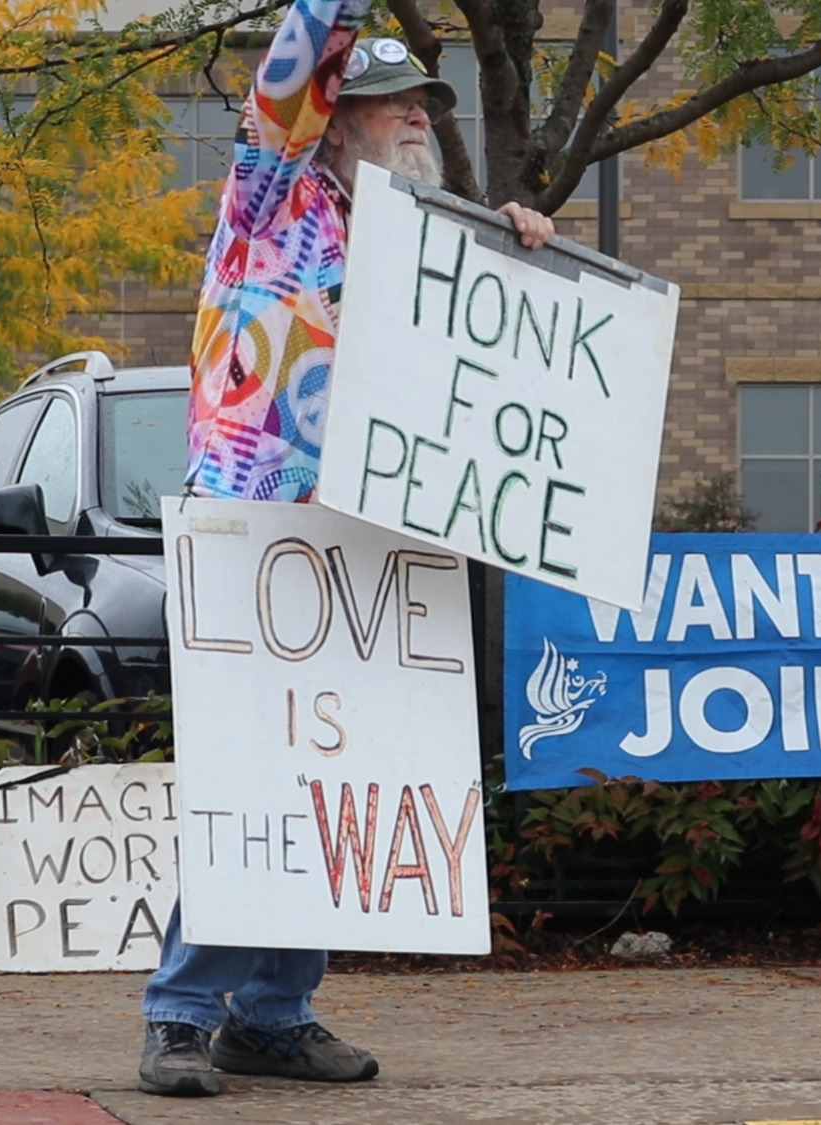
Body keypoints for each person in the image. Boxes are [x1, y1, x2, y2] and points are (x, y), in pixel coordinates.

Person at [139, 0, 553, 1098]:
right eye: (387, 105)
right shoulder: (270, 200)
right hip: (257, 523)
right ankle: (182, 1013)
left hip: (371, 538)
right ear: (331, 120)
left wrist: (514, 253)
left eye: (421, 103)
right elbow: (280, 83)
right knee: (255, 772)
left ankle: (274, 1013)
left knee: (339, 781)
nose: (415, 117)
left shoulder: (420, 238)